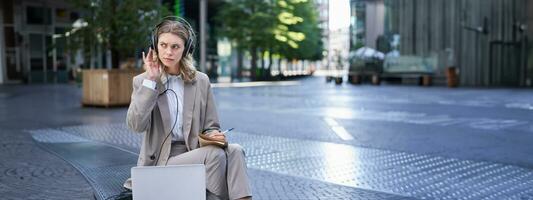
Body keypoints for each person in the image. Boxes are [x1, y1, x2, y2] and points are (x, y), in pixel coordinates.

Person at [123, 16, 252, 200]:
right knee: (215, 155)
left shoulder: (201, 80)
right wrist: (151, 82)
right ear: (155, 45)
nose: (168, 52)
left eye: (175, 46)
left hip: (197, 150)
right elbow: (136, 125)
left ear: (186, 49)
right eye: (163, 45)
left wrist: (213, 133)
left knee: (236, 151)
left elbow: (211, 124)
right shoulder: (143, 81)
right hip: (163, 160)